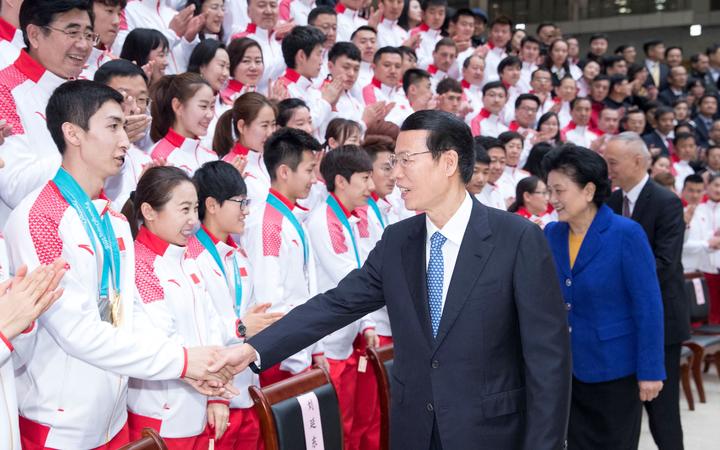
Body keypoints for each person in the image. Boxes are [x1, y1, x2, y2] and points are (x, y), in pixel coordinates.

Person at [216, 110, 572, 449]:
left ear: (447, 162)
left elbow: (548, 360)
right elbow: (336, 305)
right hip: (414, 430)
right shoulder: (400, 240)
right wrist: (252, 349)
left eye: (406, 160)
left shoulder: (517, 238)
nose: (396, 174)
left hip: (489, 433)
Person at [3, 80, 231, 449]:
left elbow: (125, 314)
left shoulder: (115, 221)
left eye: (125, 127)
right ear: (72, 133)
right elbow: (75, 329)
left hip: (114, 416)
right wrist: (181, 362)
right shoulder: (41, 217)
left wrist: (182, 366)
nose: (125, 141)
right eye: (112, 126)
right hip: (59, 427)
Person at [543, 144, 665, 449]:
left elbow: (648, 307)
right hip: (565, 372)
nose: (553, 199)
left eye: (559, 190)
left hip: (614, 369)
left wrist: (651, 371)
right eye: (549, 190)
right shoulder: (551, 234)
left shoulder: (626, 234)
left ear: (587, 191)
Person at [125, 166, 230, 447]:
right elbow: (162, 338)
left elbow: (212, 323)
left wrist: (216, 394)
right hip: (161, 417)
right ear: (149, 212)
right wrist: (214, 380)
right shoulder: (139, 263)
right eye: (183, 209)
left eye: (195, 209)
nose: (193, 220)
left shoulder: (187, 255)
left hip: (199, 401)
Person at [604, 132, 690, 450]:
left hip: (661, 322)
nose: (608, 169)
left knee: (662, 410)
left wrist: (611, 279)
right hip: (619, 322)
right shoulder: (611, 203)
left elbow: (665, 264)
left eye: (612, 162)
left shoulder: (667, 202)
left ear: (637, 161)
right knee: (623, 409)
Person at [190, 160, 283, 449]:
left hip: (244, 387)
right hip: (212, 397)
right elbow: (197, 332)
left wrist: (250, 326)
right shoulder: (191, 257)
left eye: (247, 202)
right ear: (212, 205)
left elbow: (251, 314)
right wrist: (215, 397)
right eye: (239, 202)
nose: (246, 210)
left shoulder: (238, 254)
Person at [242, 127, 327, 386]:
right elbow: (270, 301)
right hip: (281, 360)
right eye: (309, 170)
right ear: (284, 172)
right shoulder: (268, 224)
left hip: (296, 350)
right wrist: (294, 358)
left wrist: (314, 348)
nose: (314, 179)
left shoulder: (289, 217)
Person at [306, 146, 377, 449]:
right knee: (335, 431)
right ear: (341, 181)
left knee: (351, 425)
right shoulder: (325, 221)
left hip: (346, 340)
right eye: (364, 178)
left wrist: (366, 325)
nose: (370, 187)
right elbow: (352, 278)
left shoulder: (346, 218)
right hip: (329, 345)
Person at [213, 92, 277, 215]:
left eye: (273, 125)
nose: (270, 132)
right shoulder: (228, 167)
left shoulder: (271, 159)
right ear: (242, 126)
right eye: (264, 125)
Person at [149, 73, 219, 175]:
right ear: (178, 106)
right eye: (203, 106)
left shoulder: (211, 156)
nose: (210, 115)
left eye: (212, 106)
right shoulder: (159, 157)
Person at [220, 37, 264, 104]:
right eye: (246, 61)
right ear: (232, 63)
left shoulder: (261, 96)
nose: (254, 67)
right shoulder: (224, 98)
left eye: (258, 61)